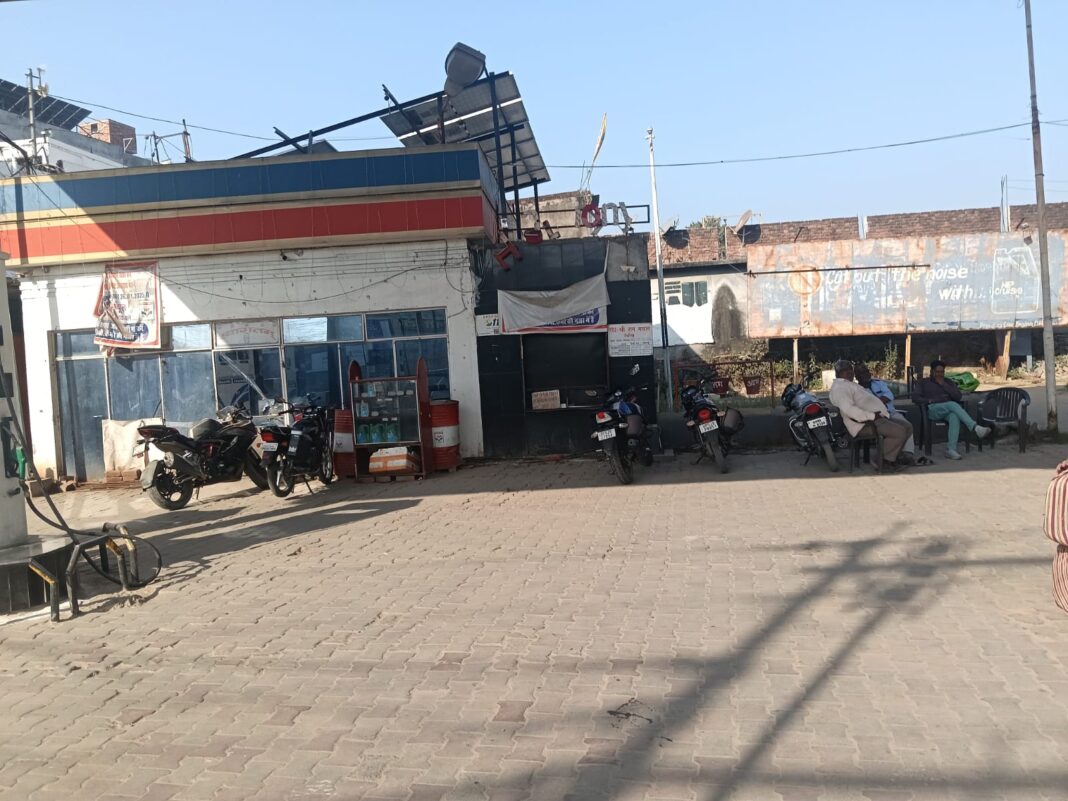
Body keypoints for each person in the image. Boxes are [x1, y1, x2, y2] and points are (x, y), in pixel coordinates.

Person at [829, 360, 912, 470]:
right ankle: (881, 461)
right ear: (837, 373)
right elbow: (849, 409)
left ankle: (893, 457)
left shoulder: (848, 384)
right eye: (845, 371)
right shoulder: (840, 388)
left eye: (850, 370)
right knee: (899, 432)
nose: (849, 372)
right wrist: (871, 416)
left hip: (877, 418)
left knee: (907, 427)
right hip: (865, 424)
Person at [910, 359, 990, 460]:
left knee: (954, 416)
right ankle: (975, 427)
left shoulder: (948, 382)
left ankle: (951, 450)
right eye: (937, 372)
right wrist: (929, 400)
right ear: (931, 372)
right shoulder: (923, 382)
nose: (939, 374)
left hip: (948, 410)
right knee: (952, 404)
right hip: (932, 409)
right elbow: (915, 397)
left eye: (942, 372)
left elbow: (958, 396)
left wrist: (944, 385)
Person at [854, 362, 921, 465]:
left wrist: (876, 403)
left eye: (866, 371)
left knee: (908, 425)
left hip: (891, 413)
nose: (865, 374)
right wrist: (878, 403)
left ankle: (907, 454)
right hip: (877, 418)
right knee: (898, 430)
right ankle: (884, 458)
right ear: (856, 376)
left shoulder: (878, 383)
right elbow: (865, 406)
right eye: (861, 373)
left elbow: (889, 395)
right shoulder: (857, 390)